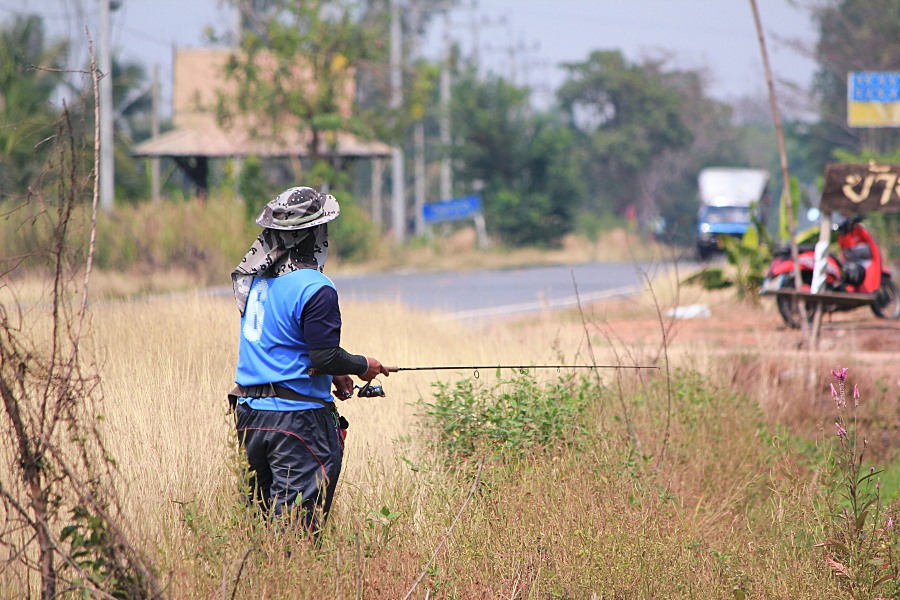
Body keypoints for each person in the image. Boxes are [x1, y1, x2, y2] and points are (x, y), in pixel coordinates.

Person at [228, 186, 391, 535]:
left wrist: (331, 374)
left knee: (261, 529)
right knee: (295, 534)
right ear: (316, 234)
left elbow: (285, 345)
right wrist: (364, 365)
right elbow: (325, 354)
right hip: (296, 424)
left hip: (250, 416)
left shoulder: (258, 283)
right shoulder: (316, 287)